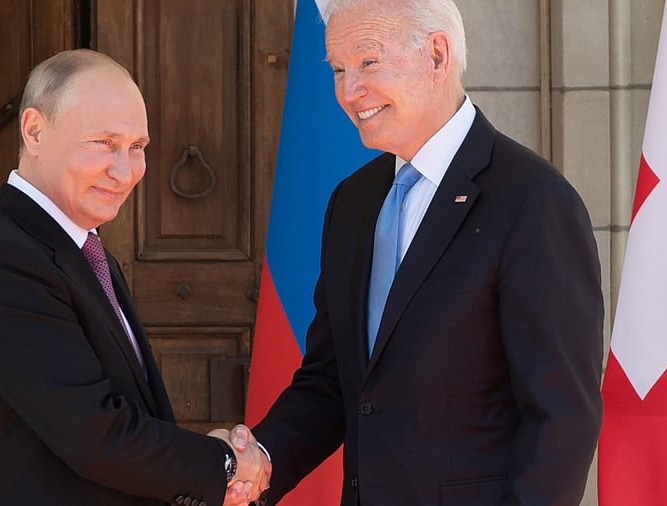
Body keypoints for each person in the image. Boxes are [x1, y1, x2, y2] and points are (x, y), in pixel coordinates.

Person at [243, 0, 604, 504]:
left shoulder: (533, 200)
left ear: (436, 55)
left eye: (368, 63)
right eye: (339, 70)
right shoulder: (352, 202)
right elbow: (333, 381)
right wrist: (260, 458)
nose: (349, 91)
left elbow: (561, 419)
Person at [0, 49, 270, 506]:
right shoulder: (1, 263)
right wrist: (221, 464)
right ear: (34, 131)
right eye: (104, 142)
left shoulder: (86, 252)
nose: (125, 170)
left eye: (137, 147)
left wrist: (210, 459)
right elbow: (94, 435)